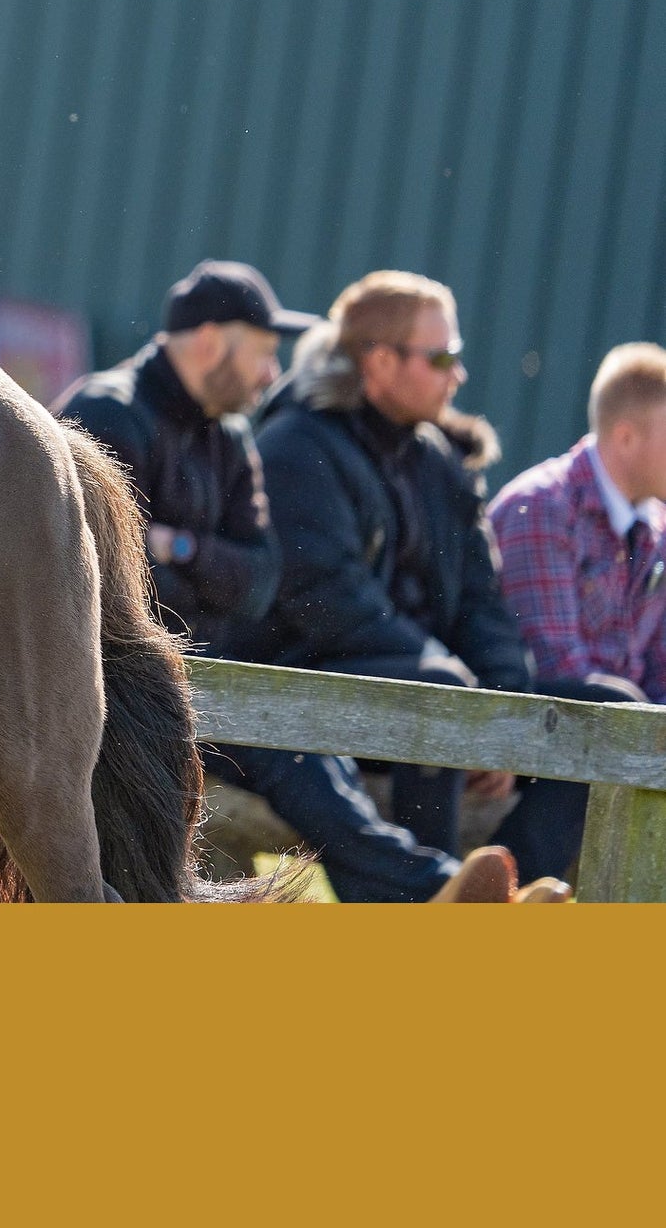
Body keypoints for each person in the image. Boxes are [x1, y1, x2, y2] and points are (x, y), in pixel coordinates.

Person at [246, 271, 541, 898]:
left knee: (606, 707)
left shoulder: (438, 461)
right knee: (434, 691)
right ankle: (441, 905)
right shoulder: (297, 447)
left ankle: (514, 893)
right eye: (442, 356)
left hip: (415, 691)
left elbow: (484, 605)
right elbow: (332, 608)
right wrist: (459, 693)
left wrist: (504, 708)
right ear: (379, 362)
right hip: (305, 694)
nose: (457, 374)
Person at [57, 260, 306, 657]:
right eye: (265, 353)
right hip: (104, 678)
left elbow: (261, 582)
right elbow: (111, 584)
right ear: (210, 342)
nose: (273, 374)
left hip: (188, 683)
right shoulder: (108, 413)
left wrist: (178, 547)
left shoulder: (231, 435)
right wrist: (211, 582)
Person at [488, 342, 666, 881]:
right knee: (610, 718)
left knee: (621, 723)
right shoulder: (543, 505)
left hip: (617, 734)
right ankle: (491, 907)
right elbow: (557, 669)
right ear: (627, 436)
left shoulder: (655, 527)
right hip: (516, 728)